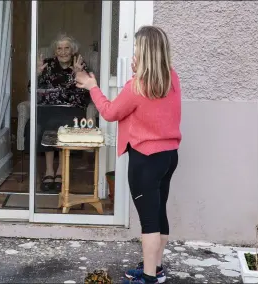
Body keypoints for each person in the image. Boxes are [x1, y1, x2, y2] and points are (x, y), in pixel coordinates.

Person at [76, 26, 181, 284]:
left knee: (149, 222)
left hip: (145, 160)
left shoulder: (137, 86)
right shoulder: (172, 78)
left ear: (143, 53)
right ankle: (156, 268)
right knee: (159, 213)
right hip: (169, 157)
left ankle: (148, 278)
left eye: (135, 49)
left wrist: (93, 86)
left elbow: (110, 112)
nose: (133, 53)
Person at [33, 34, 91, 192]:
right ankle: (49, 170)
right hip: (48, 107)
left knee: (61, 123)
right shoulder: (46, 65)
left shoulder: (79, 64)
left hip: (72, 108)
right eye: (59, 48)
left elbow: (86, 93)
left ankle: (60, 171)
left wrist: (78, 74)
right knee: (45, 122)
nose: (63, 51)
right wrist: (37, 74)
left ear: (73, 50)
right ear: (55, 51)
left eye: (67, 48)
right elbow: (32, 90)